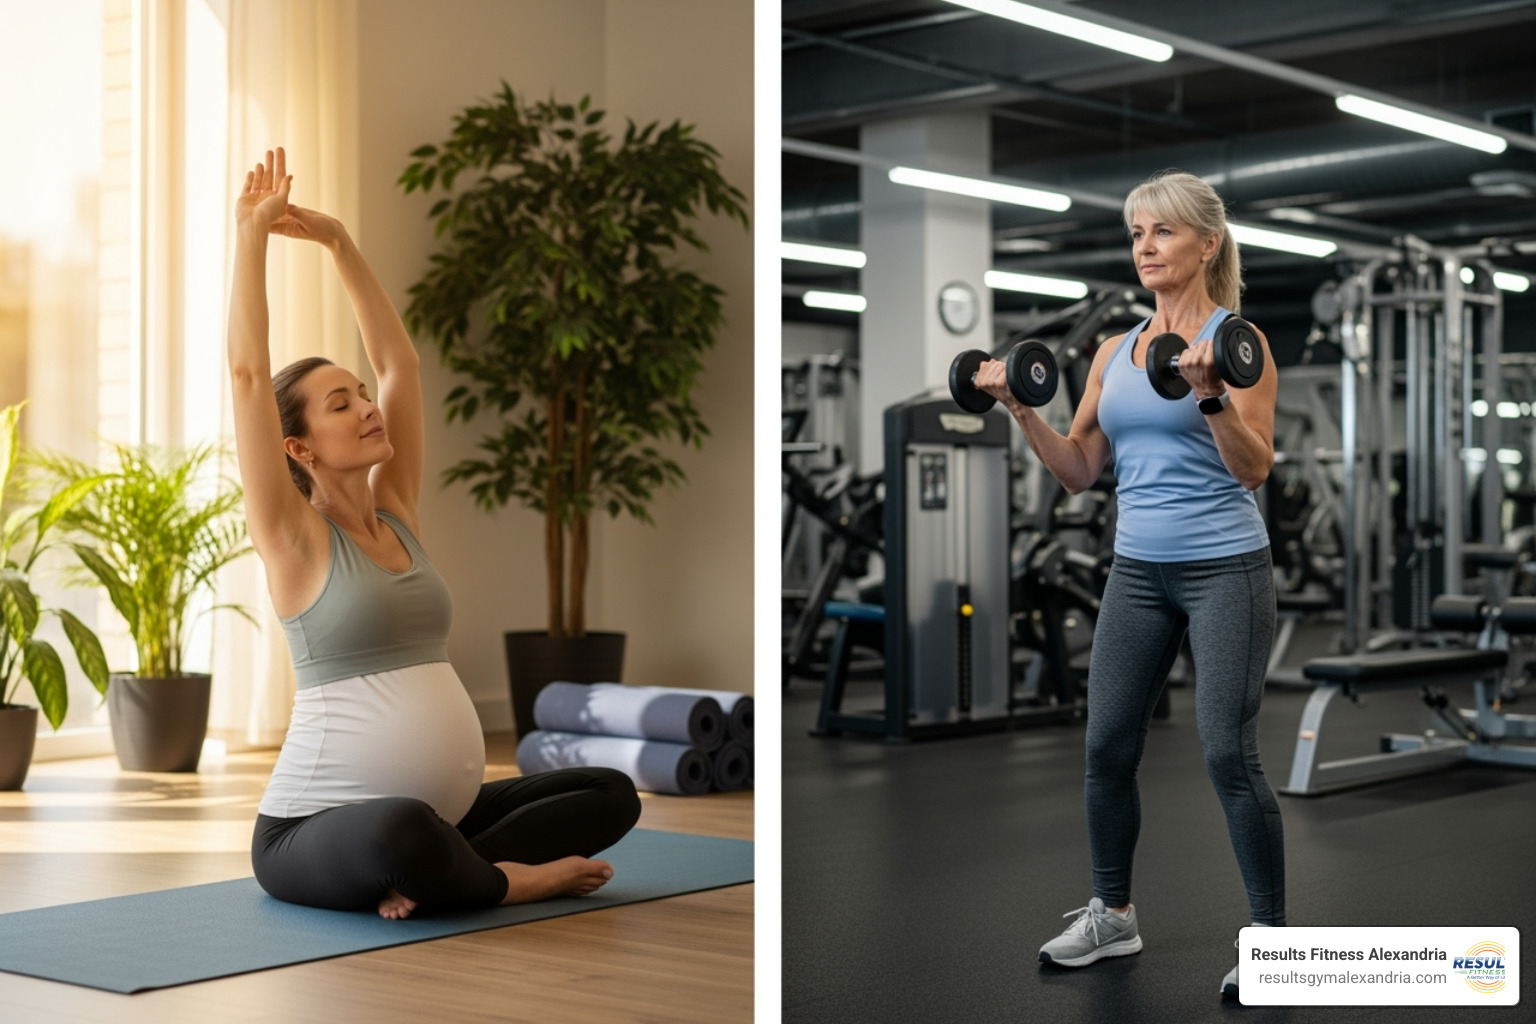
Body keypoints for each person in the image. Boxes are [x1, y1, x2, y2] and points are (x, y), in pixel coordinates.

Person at [228, 147, 641, 920]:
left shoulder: (398, 515)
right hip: (309, 832)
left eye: (359, 394)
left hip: (442, 816)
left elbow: (402, 366)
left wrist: (339, 242)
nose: (366, 407)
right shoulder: (293, 541)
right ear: (299, 446)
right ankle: (508, 879)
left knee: (609, 792)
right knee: (399, 825)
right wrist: (249, 236)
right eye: (340, 405)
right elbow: (250, 376)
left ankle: (441, 871)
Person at [974, 169, 1283, 999]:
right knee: (1106, 746)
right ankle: (1113, 913)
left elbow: (1255, 469)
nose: (1145, 247)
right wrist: (1020, 410)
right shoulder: (1114, 354)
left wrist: (1213, 395)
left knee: (1228, 753)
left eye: (1163, 232)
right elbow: (1078, 473)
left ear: (1206, 244)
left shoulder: (1235, 342)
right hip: (1138, 573)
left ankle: (1272, 943)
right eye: (1136, 234)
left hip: (1227, 570)